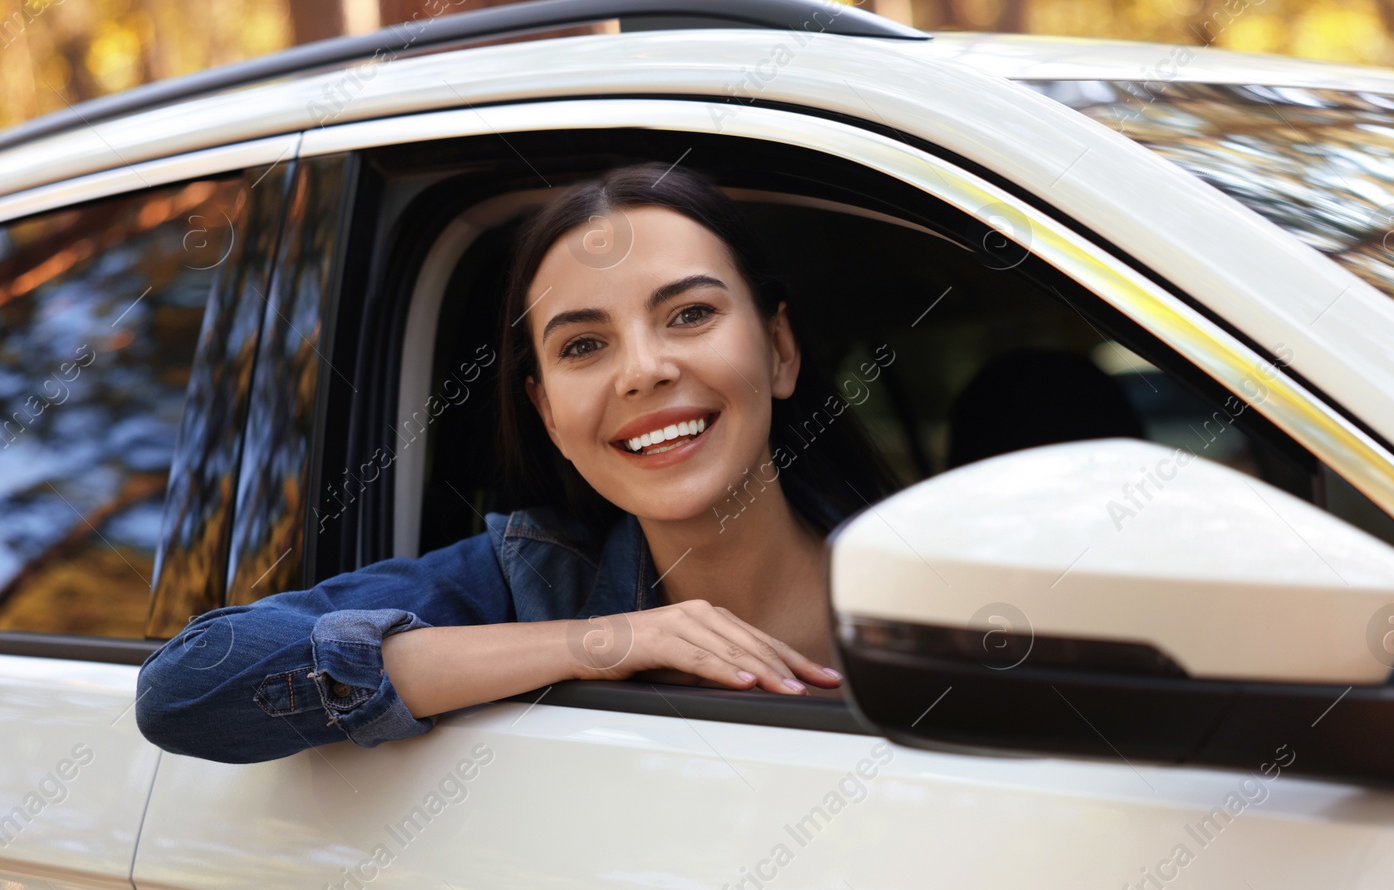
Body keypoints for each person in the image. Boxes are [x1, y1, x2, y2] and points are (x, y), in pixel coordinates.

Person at [135, 162, 897, 764]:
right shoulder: (529, 579)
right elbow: (189, 684)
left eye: (690, 314)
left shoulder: (944, 579)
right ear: (549, 416)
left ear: (780, 350)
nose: (642, 370)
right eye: (583, 345)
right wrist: (609, 641)